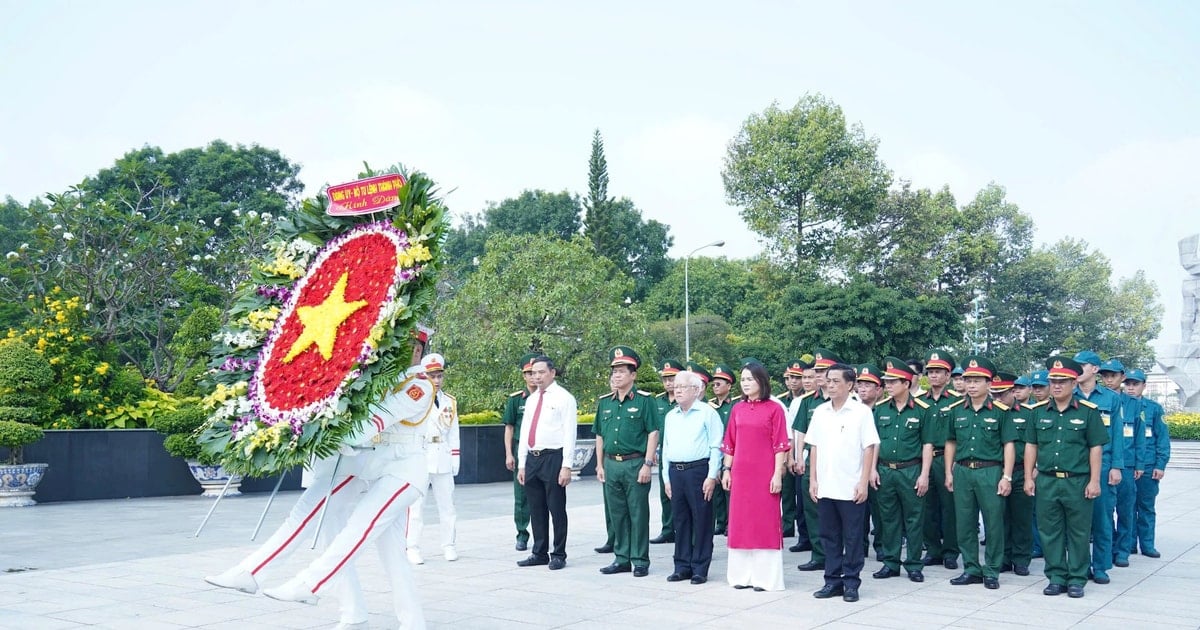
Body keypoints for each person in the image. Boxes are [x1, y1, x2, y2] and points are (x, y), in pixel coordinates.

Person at [211, 330, 435, 630]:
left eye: (412, 346)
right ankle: (391, 618)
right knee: (375, 545)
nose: (405, 350)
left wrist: (318, 434)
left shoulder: (418, 384)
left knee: (360, 526)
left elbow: (374, 421)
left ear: (420, 350)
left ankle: (311, 584)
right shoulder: (380, 373)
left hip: (403, 471)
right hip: (370, 463)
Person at [1024, 356, 1108, 598]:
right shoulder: (1038, 412)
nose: (1057, 385)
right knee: (1050, 531)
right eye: (1053, 381)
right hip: (1047, 480)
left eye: (1063, 381)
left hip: (1077, 481)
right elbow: (1031, 445)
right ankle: (1056, 576)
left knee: (1079, 532)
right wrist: (1029, 477)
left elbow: (1095, 447)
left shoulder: (1088, 412)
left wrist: (1094, 480)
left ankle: (1077, 578)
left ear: (1074, 383)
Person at [807, 363, 880, 603]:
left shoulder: (861, 412)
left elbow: (868, 447)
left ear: (850, 385)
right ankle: (832, 580)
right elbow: (814, 446)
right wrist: (813, 479)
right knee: (829, 536)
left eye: (836, 381)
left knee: (852, 537)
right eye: (828, 380)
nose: (830, 385)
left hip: (850, 486)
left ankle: (851, 582)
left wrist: (863, 482)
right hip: (826, 485)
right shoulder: (820, 411)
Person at [943, 356, 1016, 590]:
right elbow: (951, 443)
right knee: (964, 522)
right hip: (963, 471)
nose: (971, 385)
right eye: (968, 380)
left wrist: (1007, 476)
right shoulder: (956, 410)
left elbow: (1009, 445)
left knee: (994, 523)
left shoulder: (1001, 412)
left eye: (977, 381)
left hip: (990, 471)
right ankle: (971, 568)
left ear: (989, 384)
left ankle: (992, 570)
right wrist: (949, 472)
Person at [721, 361, 790, 591]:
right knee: (741, 523)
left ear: (762, 381)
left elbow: (780, 445)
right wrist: (726, 470)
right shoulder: (737, 409)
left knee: (764, 523)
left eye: (750, 379)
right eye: (743, 379)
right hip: (741, 475)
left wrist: (777, 475)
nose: (746, 383)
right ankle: (741, 577)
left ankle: (765, 579)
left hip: (765, 474)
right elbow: (730, 443)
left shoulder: (775, 409)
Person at [594, 346, 661, 577]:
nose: (617, 375)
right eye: (614, 371)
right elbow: (600, 435)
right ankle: (621, 558)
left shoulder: (645, 401)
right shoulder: (605, 402)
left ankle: (640, 559)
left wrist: (647, 463)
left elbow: (653, 432)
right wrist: (600, 465)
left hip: (635, 464)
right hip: (612, 464)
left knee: (638, 513)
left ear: (633, 375)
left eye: (622, 371)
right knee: (617, 513)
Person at [870, 358, 932, 583]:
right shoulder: (880, 410)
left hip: (911, 470)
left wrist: (924, 474)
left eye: (893, 381)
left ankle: (914, 564)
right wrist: (872, 470)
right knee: (888, 519)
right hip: (885, 470)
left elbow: (927, 444)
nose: (888, 385)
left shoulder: (922, 411)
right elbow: (874, 441)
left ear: (906, 383)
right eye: (886, 381)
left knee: (914, 519)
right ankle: (891, 562)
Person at [661, 370, 724, 584]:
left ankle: (700, 567)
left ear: (696, 390)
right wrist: (665, 478)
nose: (677, 390)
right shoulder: (671, 416)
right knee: (680, 520)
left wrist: (711, 475)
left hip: (699, 471)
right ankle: (682, 565)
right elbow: (666, 448)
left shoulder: (707, 413)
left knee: (703, 519)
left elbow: (717, 446)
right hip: (675, 472)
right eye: (675, 386)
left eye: (683, 386)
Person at [516, 355, 578, 570]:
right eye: (533, 373)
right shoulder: (532, 399)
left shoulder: (565, 398)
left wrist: (567, 465)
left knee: (556, 508)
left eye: (541, 372)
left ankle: (559, 553)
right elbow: (525, 432)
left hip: (554, 457)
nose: (537, 376)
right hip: (533, 458)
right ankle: (539, 551)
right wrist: (522, 463)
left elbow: (570, 434)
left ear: (552, 373)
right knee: (536, 508)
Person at [1072, 350, 1123, 585]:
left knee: (1102, 518)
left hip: (1103, 466)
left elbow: (1118, 435)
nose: (1077, 369)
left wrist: (1116, 466)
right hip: (1075, 466)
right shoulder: (1067, 395)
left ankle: (1101, 566)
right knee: (1077, 521)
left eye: (1082, 366)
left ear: (1094, 369)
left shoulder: (1110, 398)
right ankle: (1079, 566)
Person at [405, 353, 460, 564]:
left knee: (447, 505)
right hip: (421, 455)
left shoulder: (449, 401)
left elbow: (454, 431)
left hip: (443, 455)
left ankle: (449, 545)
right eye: (432, 376)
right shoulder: (415, 398)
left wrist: (455, 458)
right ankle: (412, 546)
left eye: (439, 376)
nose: (436, 381)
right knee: (416, 507)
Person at [792, 349, 840, 573]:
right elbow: (800, 431)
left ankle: (844, 551)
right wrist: (798, 457)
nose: (820, 375)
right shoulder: (807, 401)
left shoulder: (846, 400)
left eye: (824, 371)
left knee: (841, 509)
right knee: (812, 510)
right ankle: (819, 554)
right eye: (817, 371)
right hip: (814, 462)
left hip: (840, 463)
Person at [918, 350, 961, 570]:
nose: (934, 376)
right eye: (931, 372)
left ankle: (951, 551)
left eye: (939, 372)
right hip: (924, 458)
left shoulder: (957, 402)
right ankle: (932, 549)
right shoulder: (919, 402)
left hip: (947, 457)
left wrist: (953, 466)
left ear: (948, 376)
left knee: (950, 507)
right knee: (926, 506)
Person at [1124, 369, 1169, 559]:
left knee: (1146, 506)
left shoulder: (1153, 408)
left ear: (1144, 386)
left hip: (1149, 465)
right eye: (1128, 384)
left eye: (1135, 384)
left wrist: (1161, 464)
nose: (1131, 388)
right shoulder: (1121, 406)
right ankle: (1129, 543)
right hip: (1128, 464)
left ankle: (1147, 544)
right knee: (1127, 506)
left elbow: (1162, 439)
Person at [992, 371, 1033, 577]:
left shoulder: (1027, 414)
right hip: (994, 471)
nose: (998, 399)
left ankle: (1021, 559)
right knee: (999, 518)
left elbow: (1034, 445)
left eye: (1002, 394)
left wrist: (1031, 473)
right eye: (995, 394)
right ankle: (1003, 558)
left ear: (1013, 393)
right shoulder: (990, 413)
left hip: (1020, 471)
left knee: (1021, 517)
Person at [1102, 358, 1143, 568]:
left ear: (1122, 377)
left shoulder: (1135, 405)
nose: (1109, 380)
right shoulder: (1101, 400)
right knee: (1106, 510)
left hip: (1126, 464)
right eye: (1105, 376)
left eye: (1113, 376)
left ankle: (1123, 550)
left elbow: (1140, 437)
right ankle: (1107, 549)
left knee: (1126, 509)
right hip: (1105, 461)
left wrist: (1139, 464)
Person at [502, 353, 539, 552]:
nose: (533, 377)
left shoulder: (548, 398)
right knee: (521, 495)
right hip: (520, 451)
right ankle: (522, 534)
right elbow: (509, 427)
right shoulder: (517, 400)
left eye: (536, 372)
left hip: (543, 451)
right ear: (524, 376)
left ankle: (542, 535)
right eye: (529, 373)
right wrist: (509, 454)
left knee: (543, 495)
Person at [650, 359, 684, 545]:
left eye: (672, 378)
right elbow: (653, 428)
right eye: (666, 379)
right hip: (665, 453)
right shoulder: (657, 402)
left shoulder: (685, 400)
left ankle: (683, 529)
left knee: (682, 494)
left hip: (683, 453)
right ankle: (668, 529)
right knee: (665, 492)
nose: (669, 382)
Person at [779, 359, 810, 552]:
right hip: (791, 452)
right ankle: (789, 526)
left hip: (808, 455)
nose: (793, 381)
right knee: (789, 494)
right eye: (789, 378)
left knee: (806, 499)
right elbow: (789, 431)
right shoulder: (784, 400)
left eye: (797, 378)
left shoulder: (810, 401)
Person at [708, 363, 738, 536]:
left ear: (729, 385)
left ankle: (730, 522)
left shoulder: (735, 404)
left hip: (730, 452)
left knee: (728, 490)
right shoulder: (710, 406)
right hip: (714, 451)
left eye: (720, 383)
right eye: (714, 383)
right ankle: (720, 521)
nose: (716, 386)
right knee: (716, 490)